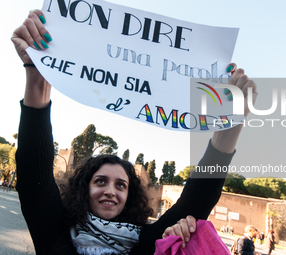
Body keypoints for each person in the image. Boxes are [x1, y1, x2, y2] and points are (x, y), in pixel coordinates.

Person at [12, 9, 257, 255]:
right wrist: (37, 75)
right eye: (100, 181)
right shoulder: (56, 233)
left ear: (130, 196)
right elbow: (34, 171)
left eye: (121, 185)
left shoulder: (147, 244)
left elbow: (198, 198)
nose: (110, 191)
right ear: (84, 189)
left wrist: (231, 124)